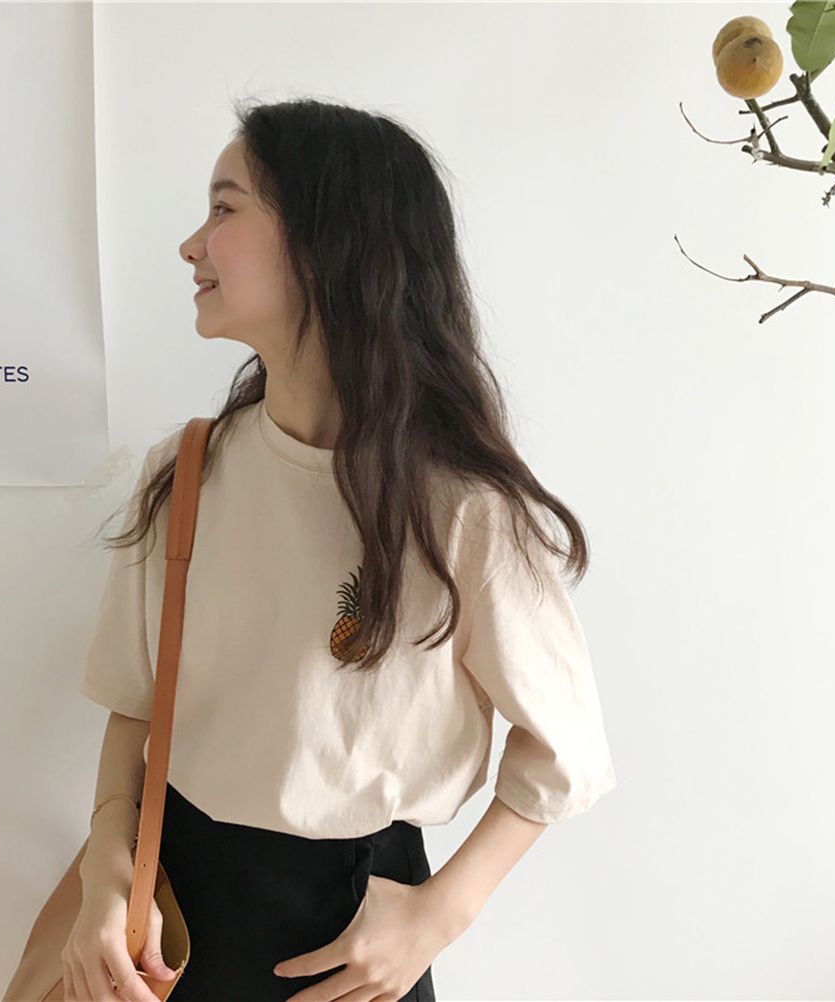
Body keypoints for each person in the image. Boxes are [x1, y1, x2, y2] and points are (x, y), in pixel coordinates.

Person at [62, 97, 617, 1002]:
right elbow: (135, 704)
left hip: (354, 941)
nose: (192, 245)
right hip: (169, 922)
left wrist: (438, 916)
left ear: (328, 242)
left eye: (225, 207)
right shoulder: (187, 472)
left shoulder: (460, 510)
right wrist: (102, 873)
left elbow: (567, 750)